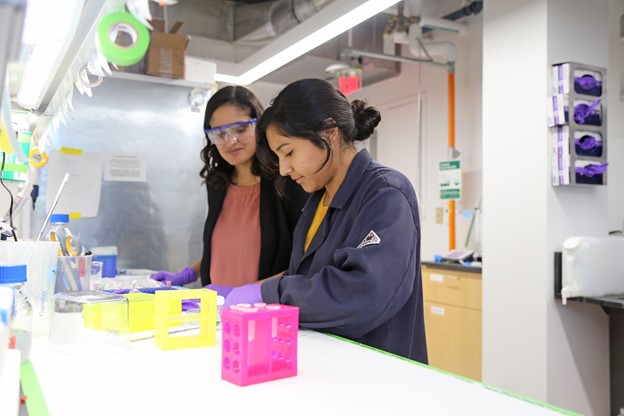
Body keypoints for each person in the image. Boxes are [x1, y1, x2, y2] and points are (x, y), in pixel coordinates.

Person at [221, 78, 427, 363]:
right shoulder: (316, 203)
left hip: (378, 375)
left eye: (289, 152)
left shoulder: (385, 193)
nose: (284, 169)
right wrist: (243, 292)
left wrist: (267, 293)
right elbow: (307, 280)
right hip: (325, 367)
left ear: (329, 132)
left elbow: (362, 293)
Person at [151, 86, 308, 288]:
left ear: (259, 125)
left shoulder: (287, 181)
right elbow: (225, 251)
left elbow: (305, 264)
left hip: (264, 311)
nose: (230, 141)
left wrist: (249, 292)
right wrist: (190, 273)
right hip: (215, 310)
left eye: (240, 129)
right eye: (219, 133)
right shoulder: (218, 184)